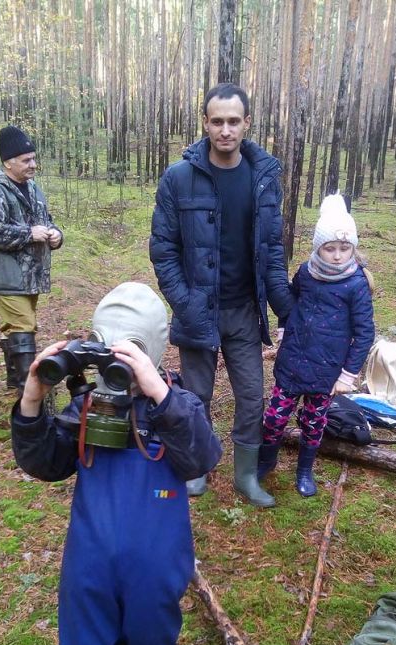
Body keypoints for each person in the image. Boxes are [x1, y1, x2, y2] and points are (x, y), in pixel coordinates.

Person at [10, 282, 222, 645]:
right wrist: (34, 397)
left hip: (156, 561)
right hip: (92, 560)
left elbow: (201, 459)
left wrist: (160, 392)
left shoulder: (179, 407)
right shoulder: (90, 407)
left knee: (153, 638)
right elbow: (44, 463)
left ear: (153, 349)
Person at [149, 83, 293, 508]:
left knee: (252, 397)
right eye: (217, 121)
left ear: (247, 122)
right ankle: (195, 469)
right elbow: (163, 249)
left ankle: (246, 477)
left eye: (234, 121)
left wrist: (285, 309)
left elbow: (271, 250)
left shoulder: (264, 178)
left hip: (245, 312)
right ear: (205, 123)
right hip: (198, 312)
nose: (225, 130)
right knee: (195, 397)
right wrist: (185, 302)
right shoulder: (179, 178)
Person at [258, 194, 375, 497]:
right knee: (274, 418)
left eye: (344, 248)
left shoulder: (357, 284)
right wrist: (284, 332)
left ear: (353, 247)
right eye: (330, 248)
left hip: (327, 372)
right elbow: (290, 304)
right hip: (293, 361)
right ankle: (266, 462)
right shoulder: (305, 273)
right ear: (318, 247)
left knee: (313, 423)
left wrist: (347, 375)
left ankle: (304, 471)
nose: (337, 255)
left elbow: (364, 333)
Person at [0, 125, 63, 394]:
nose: (33, 164)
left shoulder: (33, 188)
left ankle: (15, 379)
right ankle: (29, 389)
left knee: (16, 327)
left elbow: (46, 221)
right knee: (24, 326)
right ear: (8, 162)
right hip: (6, 275)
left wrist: (56, 234)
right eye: (26, 160)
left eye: (34, 158)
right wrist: (28, 234)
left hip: (31, 274)